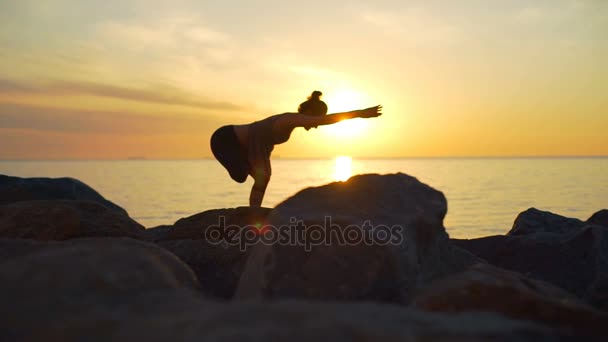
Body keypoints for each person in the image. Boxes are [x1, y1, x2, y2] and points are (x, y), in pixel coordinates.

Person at [210, 91, 382, 207]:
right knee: (260, 176)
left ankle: (253, 212)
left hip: (239, 146)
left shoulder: (290, 123)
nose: (315, 126)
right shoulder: (290, 119)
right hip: (225, 139)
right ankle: (253, 214)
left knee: (250, 177)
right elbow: (327, 120)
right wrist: (359, 113)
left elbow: (263, 143)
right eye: (316, 121)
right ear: (310, 115)